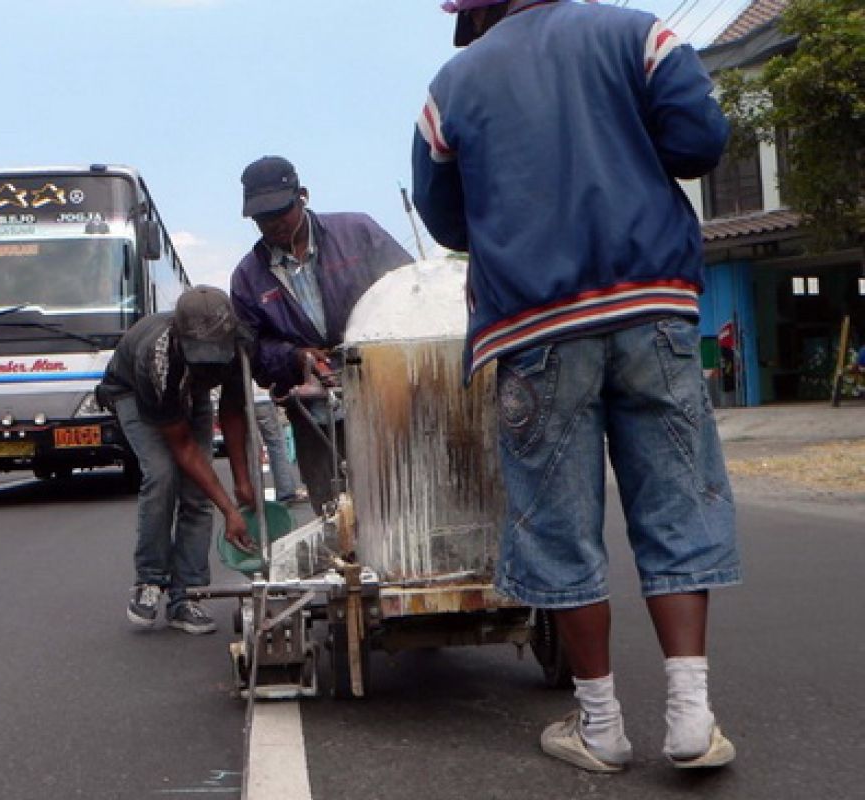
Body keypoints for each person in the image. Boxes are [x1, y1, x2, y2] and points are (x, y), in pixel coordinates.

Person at [412, 0, 742, 772]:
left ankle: (601, 727)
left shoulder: (451, 86)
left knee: (559, 526)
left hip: (532, 327)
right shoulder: (638, 35)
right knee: (676, 501)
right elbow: (701, 141)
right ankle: (691, 719)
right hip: (652, 307)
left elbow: (448, 222)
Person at [230, 156, 414, 514]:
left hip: (384, 397)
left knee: (396, 501)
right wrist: (294, 357)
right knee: (335, 516)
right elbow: (251, 353)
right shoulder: (247, 278)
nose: (274, 225)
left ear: (303, 196)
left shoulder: (358, 232)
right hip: (312, 414)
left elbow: (407, 290)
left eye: (281, 211)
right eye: (262, 219)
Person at [97, 286, 256, 635]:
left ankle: (187, 596)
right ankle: (150, 580)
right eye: (202, 356)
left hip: (189, 392)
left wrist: (243, 483)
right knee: (163, 475)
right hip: (133, 392)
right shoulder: (156, 358)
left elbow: (231, 411)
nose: (210, 364)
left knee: (198, 495)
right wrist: (230, 511)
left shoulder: (243, 344)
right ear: (181, 338)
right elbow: (182, 447)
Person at [253, 386, 305, 506]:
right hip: (264, 397)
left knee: (249, 447)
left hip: (243, 399)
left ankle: (253, 495)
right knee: (276, 444)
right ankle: (285, 490)